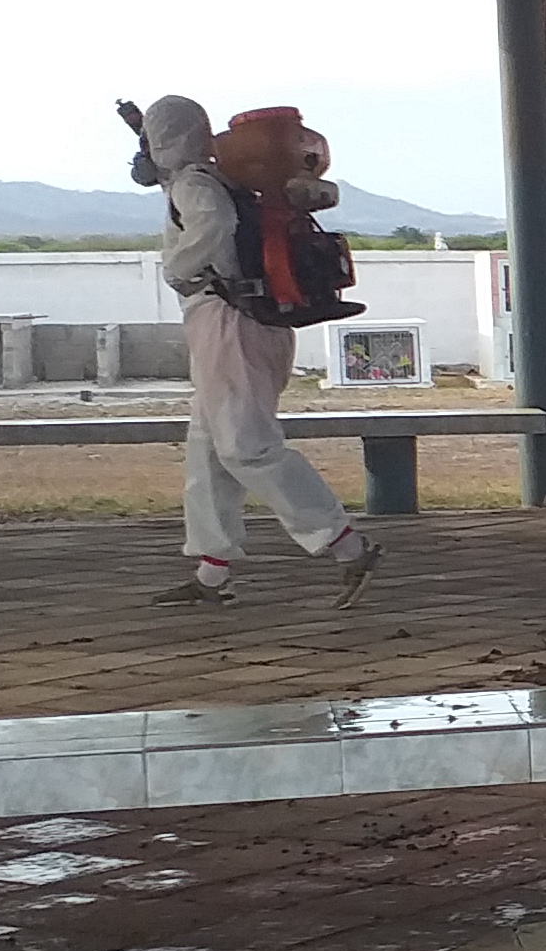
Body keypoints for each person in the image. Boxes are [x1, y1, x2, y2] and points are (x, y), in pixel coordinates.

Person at [125, 93, 379, 613]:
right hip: (246, 321)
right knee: (209, 448)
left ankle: (346, 546)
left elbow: (213, 224)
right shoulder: (221, 178)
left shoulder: (196, 184)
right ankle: (211, 570)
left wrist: (177, 269)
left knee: (247, 446)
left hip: (229, 322)